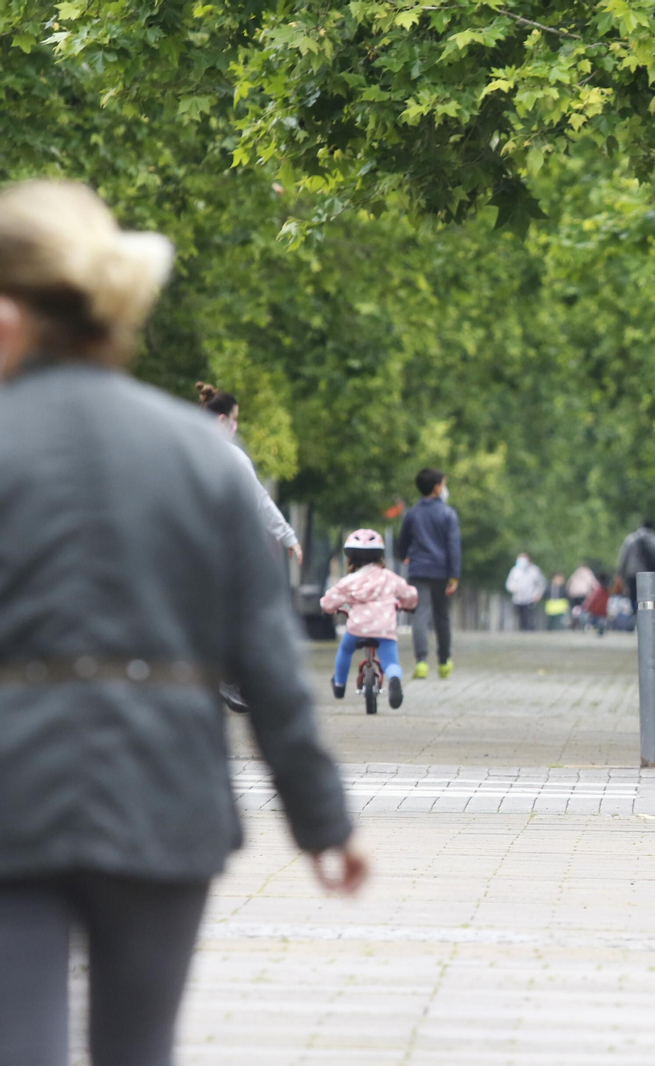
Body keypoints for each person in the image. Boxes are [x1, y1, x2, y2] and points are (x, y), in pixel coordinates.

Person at [0, 179, 366, 1066]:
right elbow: (268, 664)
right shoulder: (202, 457)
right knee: (140, 1048)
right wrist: (322, 823)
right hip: (164, 792)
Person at [196, 382, 303, 568]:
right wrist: (288, 536)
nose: (235, 425)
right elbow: (259, 502)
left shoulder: (180, 450)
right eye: (234, 419)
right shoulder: (232, 457)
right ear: (223, 420)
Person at [321, 529, 418, 708]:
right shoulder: (389, 578)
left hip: (357, 628)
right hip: (384, 628)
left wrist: (331, 608)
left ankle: (340, 685)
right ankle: (394, 679)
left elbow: (328, 602)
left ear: (350, 558)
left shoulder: (349, 581)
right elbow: (409, 594)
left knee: (345, 650)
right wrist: (408, 605)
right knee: (390, 661)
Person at [396, 467, 460, 679]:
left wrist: (403, 555)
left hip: (418, 570)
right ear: (436, 488)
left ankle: (421, 661)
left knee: (420, 615)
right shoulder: (448, 514)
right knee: (442, 616)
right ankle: (443, 662)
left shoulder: (412, 513)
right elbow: (453, 547)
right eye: (443, 484)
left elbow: (402, 542)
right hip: (442, 572)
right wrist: (454, 575)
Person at [615, 519, 655, 613]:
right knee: (647, 599)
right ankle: (645, 618)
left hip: (633, 573)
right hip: (650, 574)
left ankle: (636, 616)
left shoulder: (631, 538)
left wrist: (620, 572)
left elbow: (623, 557)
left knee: (634, 596)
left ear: (641, 525)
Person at [505, 552, 547, 631]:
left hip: (530, 599)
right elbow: (508, 583)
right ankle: (522, 633)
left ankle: (530, 633)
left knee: (529, 617)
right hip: (518, 599)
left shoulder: (534, 570)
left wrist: (538, 594)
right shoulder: (515, 570)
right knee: (520, 617)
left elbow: (541, 583)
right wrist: (513, 588)